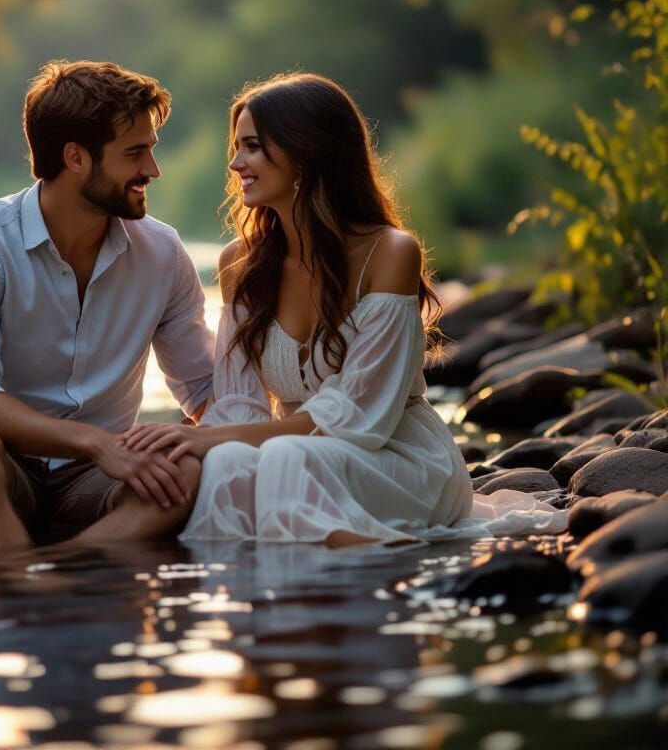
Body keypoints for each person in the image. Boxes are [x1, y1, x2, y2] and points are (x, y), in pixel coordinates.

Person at [123, 72, 566, 545]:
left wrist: (206, 438)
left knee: (281, 458)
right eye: (236, 147)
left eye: (251, 146)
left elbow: (358, 416)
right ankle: (249, 601)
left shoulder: (390, 252)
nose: (235, 163)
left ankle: (339, 585)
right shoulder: (241, 264)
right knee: (229, 463)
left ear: (305, 150)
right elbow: (238, 407)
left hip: (398, 459)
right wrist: (190, 446)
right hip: (299, 457)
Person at [0, 60, 215, 550]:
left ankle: (62, 571)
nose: (151, 171)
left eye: (151, 152)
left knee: (185, 466)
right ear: (75, 159)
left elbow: (203, 388)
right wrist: (94, 442)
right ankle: (23, 582)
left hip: (92, 480)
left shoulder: (164, 253)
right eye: (135, 154)